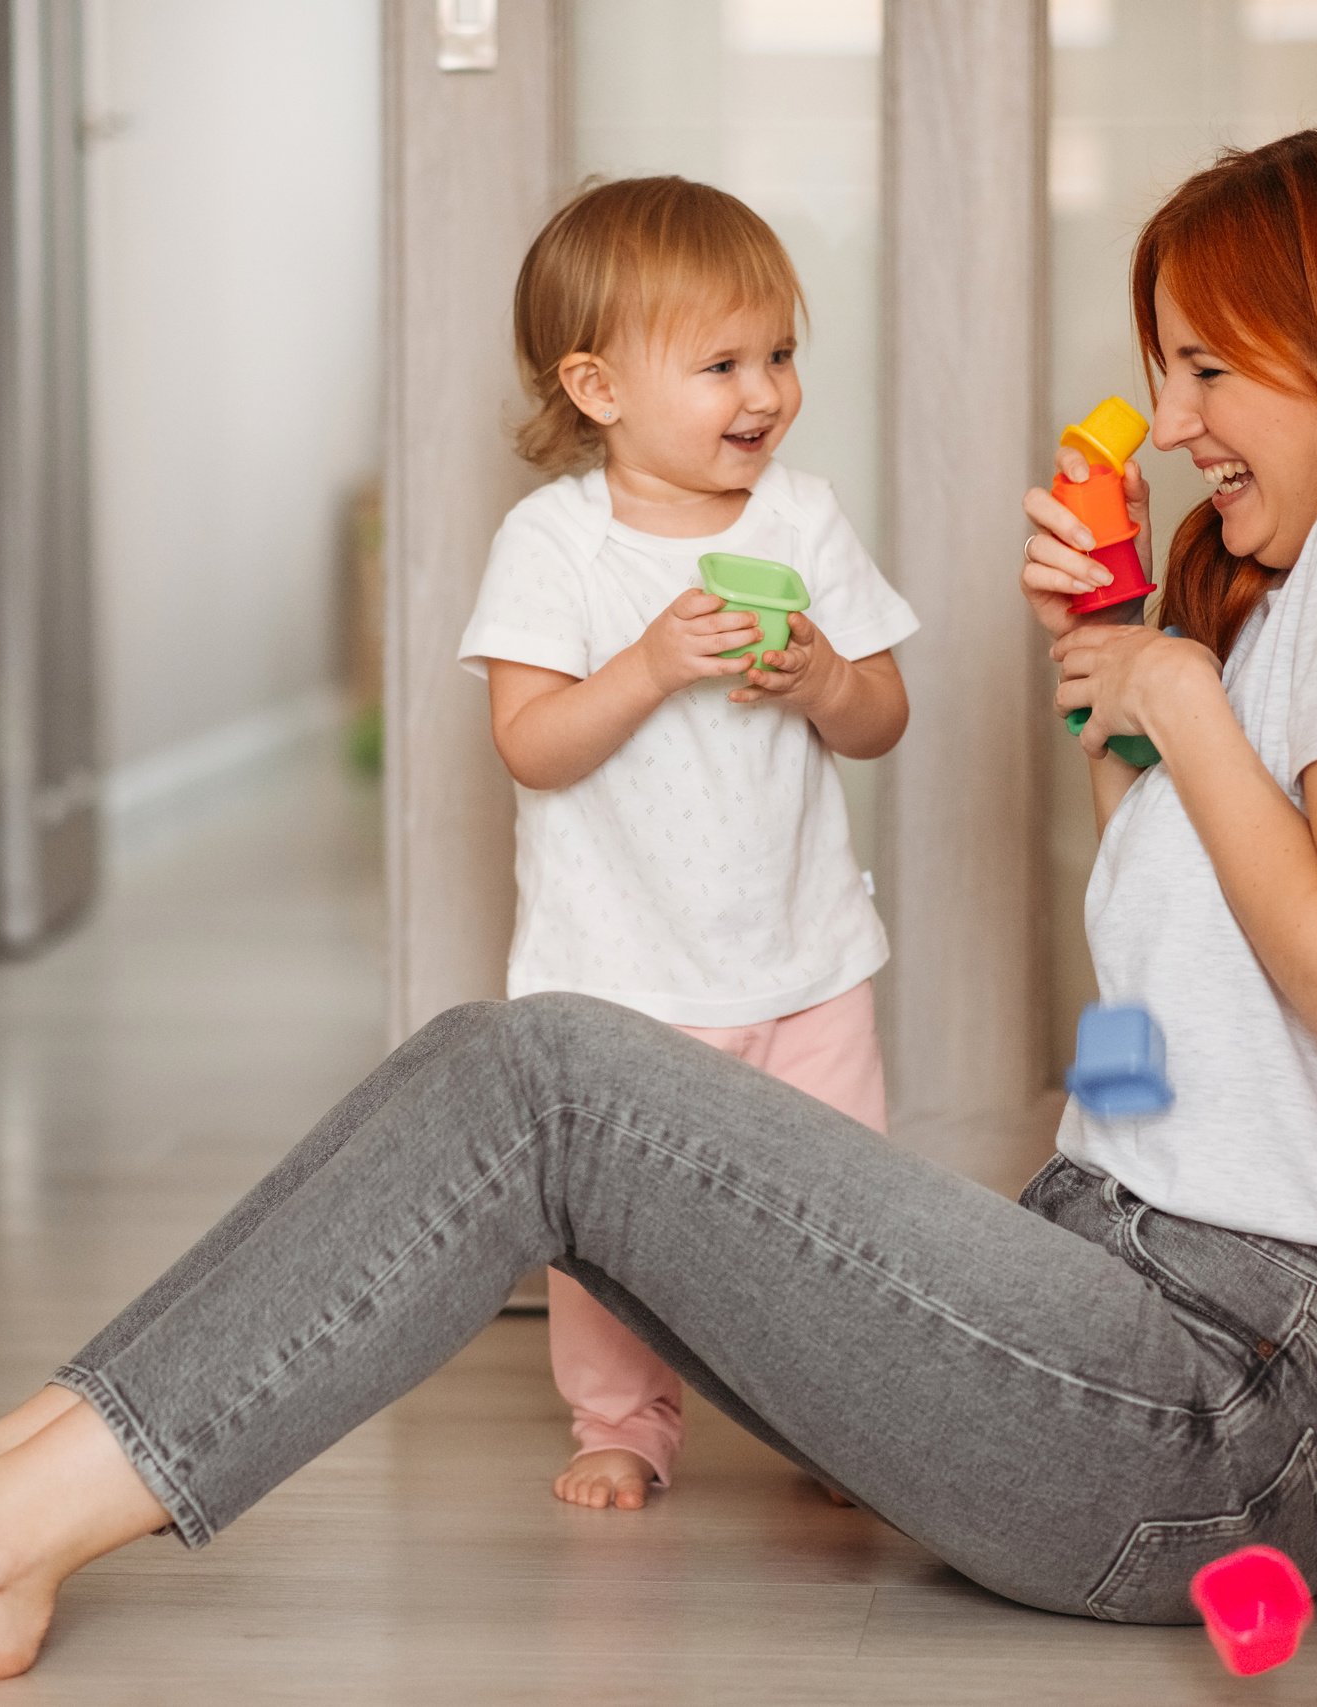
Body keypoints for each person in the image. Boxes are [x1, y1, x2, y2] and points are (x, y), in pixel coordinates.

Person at [0, 121, 1317, 1683]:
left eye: (1211, 369)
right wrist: (1148, 656)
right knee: (548, 1091)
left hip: (1220, 1402)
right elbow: (1243, 948)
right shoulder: (1307, 590)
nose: (1175, 422)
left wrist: (1175, 691)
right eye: (1163, 370)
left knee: (543, 1076)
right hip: (1120, 1303)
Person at [459, 176, 914, 1510]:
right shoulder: (554, 544)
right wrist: (651, 665)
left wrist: (828, 679)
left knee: (843, 1215)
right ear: (598, 389)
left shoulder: (804, 521)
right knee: (613, 1219)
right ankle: (623, 1422)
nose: (764, 390)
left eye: (778, 354)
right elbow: (530, 741)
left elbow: (882, 718)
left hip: (806, 956)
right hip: (621, 970)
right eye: (720, 364)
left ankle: (842, 1427)